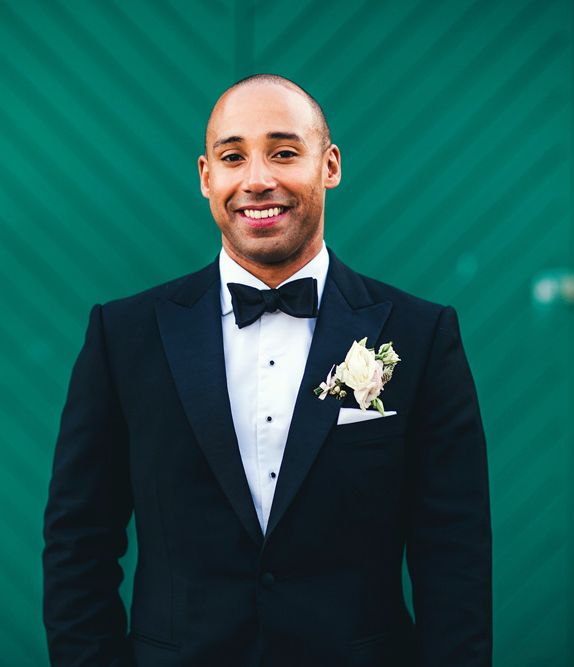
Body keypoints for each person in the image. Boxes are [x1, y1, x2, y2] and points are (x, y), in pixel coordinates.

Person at [42, 74, 492, 667]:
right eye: (233, 157)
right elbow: (79, 543)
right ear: (207, 177)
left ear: (329, 165)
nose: (257, 180)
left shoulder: (420, 335)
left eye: (284, 152)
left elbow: (453, 554)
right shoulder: (123, 336)